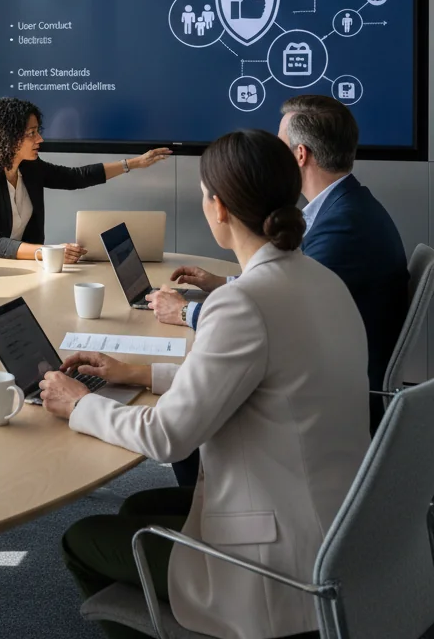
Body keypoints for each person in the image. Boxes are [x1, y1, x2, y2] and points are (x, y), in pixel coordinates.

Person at [39, 129, 370, 639]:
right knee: (138, 508)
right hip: (339, 526)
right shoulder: (322, 280)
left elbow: (166, 438)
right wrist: (136, 373)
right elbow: (259, 381)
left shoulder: (242, 302)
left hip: (276, 562)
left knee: (83, 538)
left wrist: (79, 402)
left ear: (218, 209)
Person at [150, 94, 408, 432]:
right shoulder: (348, 207)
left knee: (191, 407)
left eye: (278, 145)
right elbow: (282, 290)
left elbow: (277, 317)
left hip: (326, 402)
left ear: (299, 155)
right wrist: (219, 284)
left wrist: (185, 312)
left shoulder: (344, 228)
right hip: (330, 377)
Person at [0, 98, 170, 262]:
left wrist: (134, 163)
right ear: (7, 137)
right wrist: (49, 252)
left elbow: (75, 177)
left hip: (15, 268)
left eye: (37, 131)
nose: (39, 139)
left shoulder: (30, 168)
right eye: (31, 133)